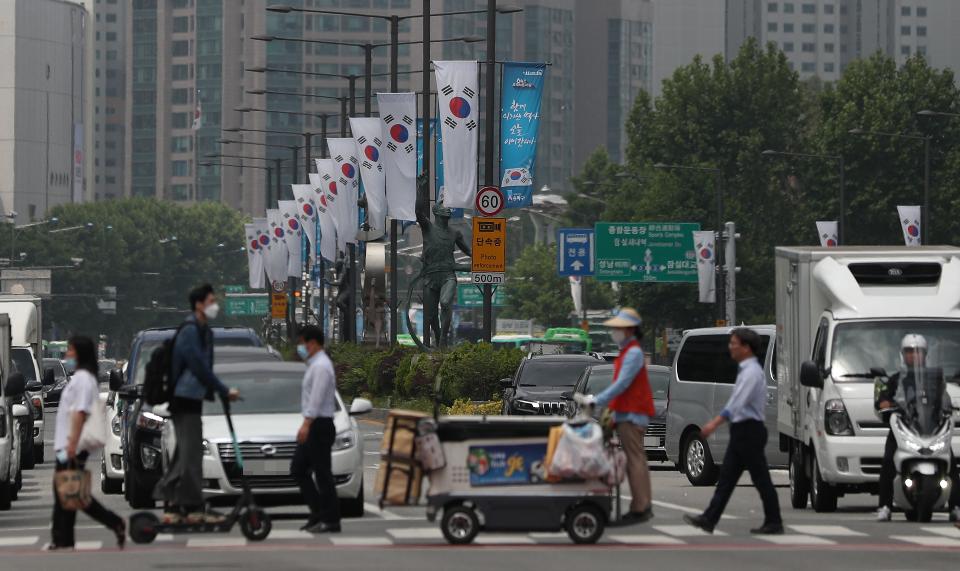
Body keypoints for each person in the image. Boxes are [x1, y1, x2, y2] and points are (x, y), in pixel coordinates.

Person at [684, 328, 783, 535]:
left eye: (734, 343)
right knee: (727, 479)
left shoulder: (752, 372)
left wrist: (714, 423)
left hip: (749, 432)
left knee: (761, 479)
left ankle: (774, 521)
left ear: (746, 348)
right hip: (742, 432)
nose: (731, 347)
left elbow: (737, 404)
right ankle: (709, 519)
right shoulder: (746, 370)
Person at [155, 284, 239, 525]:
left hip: (192, 399)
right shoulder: (191, 331)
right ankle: (191, 507)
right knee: (190, 457)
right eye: (211, 301)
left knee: (184, 455)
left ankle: (175, 505)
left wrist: (217, 391)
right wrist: (223, 390)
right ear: (199, 304)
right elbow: (198, 366)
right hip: (184, 399)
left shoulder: (203, 331)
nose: (215, 305)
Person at [578, 308, 654, 523]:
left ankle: (640, 507)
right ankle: (642, 504)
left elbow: (622, 384)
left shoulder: (633, 353)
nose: (614, 332)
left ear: (630, 329)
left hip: (632, 414)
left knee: (635, 460)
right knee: (636, 459)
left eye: (618, 329)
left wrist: (597, 401)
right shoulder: (629, 351)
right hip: (626, 412)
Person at [49, 336, 125, 550]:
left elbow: (80, 412)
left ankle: (64, 538)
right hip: (69, 444)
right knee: (69, 492)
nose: (68, 354)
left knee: (70, 492)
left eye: (71, 350)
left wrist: (72, 445)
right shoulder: (84, 378)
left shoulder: (83, 379)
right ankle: (64, 538)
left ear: (79, 353)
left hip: (72, 445)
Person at [875, 334, 960, 522]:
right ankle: (885, 506)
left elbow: (943, 398)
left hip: (928, 427)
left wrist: (947, 408)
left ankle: (956, 506)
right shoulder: (897, 379)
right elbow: (883, 399)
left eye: (918, 352)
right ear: (903, 355)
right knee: (889, 461)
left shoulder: (934, 378)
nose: (914, 356)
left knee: (951, 463)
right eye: (909, 352)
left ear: (925, 354)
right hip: (905, 426)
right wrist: (885, 404)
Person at [290, 325, 341, 533]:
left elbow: (317, 398)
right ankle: (318, 513)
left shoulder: (321, 366)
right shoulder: (315, 364)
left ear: (312, 342)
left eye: (301, 343)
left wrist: (306, 424)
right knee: (299, 469)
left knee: (322, 474)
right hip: (316, 424)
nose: (300, 348)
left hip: (319, 425)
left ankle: (330, 519)